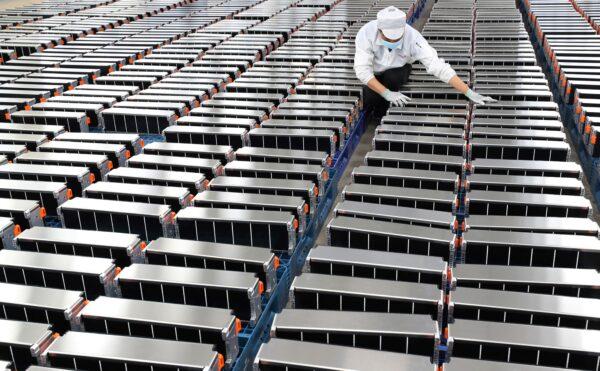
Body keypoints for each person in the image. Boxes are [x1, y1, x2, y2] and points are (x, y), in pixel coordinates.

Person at [354, 6, 496, 120]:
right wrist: (385, 93)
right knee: (370, 97)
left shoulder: (413, 38)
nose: (393, 42)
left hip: (399, 69)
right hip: (374, 71)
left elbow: (437, 65)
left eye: (396, 39)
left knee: (393, 79)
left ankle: (384, 113)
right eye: (389, 39)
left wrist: (469, 92)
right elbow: (362, 71)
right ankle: (376, 109)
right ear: (380, 30)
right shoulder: (366, 34)